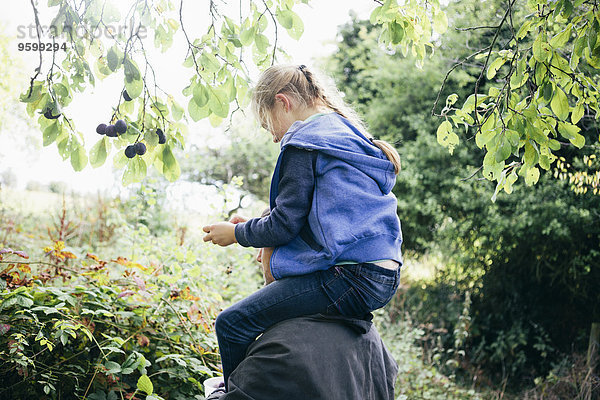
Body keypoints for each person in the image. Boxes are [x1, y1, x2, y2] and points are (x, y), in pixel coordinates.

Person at [202, 64, 403, 391]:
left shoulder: (304, 141)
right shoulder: (348, 137)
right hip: (383, 273)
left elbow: (285, 224)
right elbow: (321, 217)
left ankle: (232, 393)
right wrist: (255, 223)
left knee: (232, 323)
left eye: (269, 125)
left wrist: (236, 235)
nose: (274, 136)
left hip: (348, 276)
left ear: (283, 102)